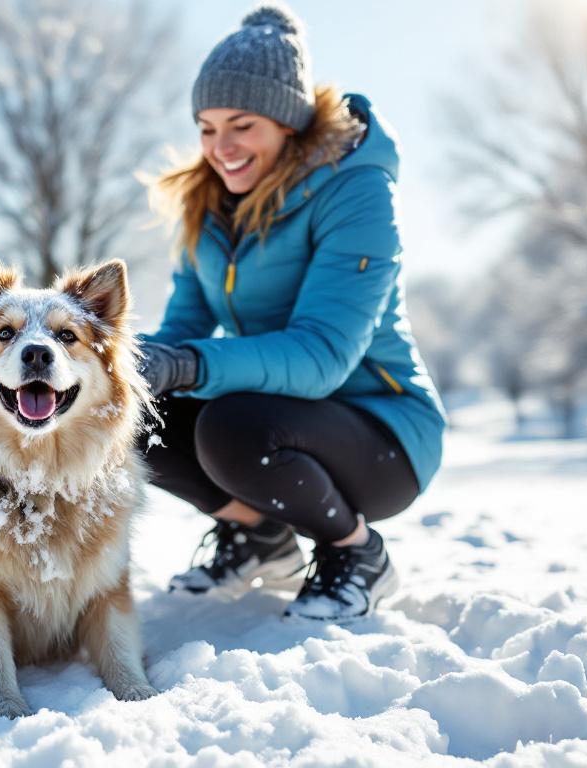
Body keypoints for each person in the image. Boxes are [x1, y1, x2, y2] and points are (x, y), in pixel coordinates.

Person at [137, 4, 447, 622]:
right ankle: (260, 538)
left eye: (242, 125)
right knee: (135, 413)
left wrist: (188, 362)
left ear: (289, 122)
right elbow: (181, 334)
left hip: (384, 431)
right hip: (282, 413)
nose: (220, 149)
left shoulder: (356, 191)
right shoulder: (206, 209)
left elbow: (322, 357)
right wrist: (124, 366)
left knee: (232, 426)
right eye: (206, 127)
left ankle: (357, 552)